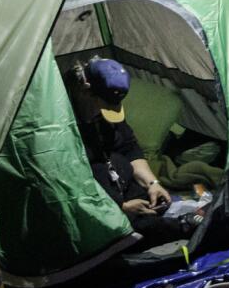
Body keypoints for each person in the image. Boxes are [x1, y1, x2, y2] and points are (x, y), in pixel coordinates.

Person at [66, 58, 189, 245]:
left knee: (153, 205)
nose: (104, 113)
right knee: (139, 228)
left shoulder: (103, 114)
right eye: (103, 105)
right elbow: (67, 179)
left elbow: (129, 147)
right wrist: (119, 207)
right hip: (89, 198)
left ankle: (173, 222)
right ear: (86, 90)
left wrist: (152, 183)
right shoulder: (60, 119)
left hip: (118, 183)